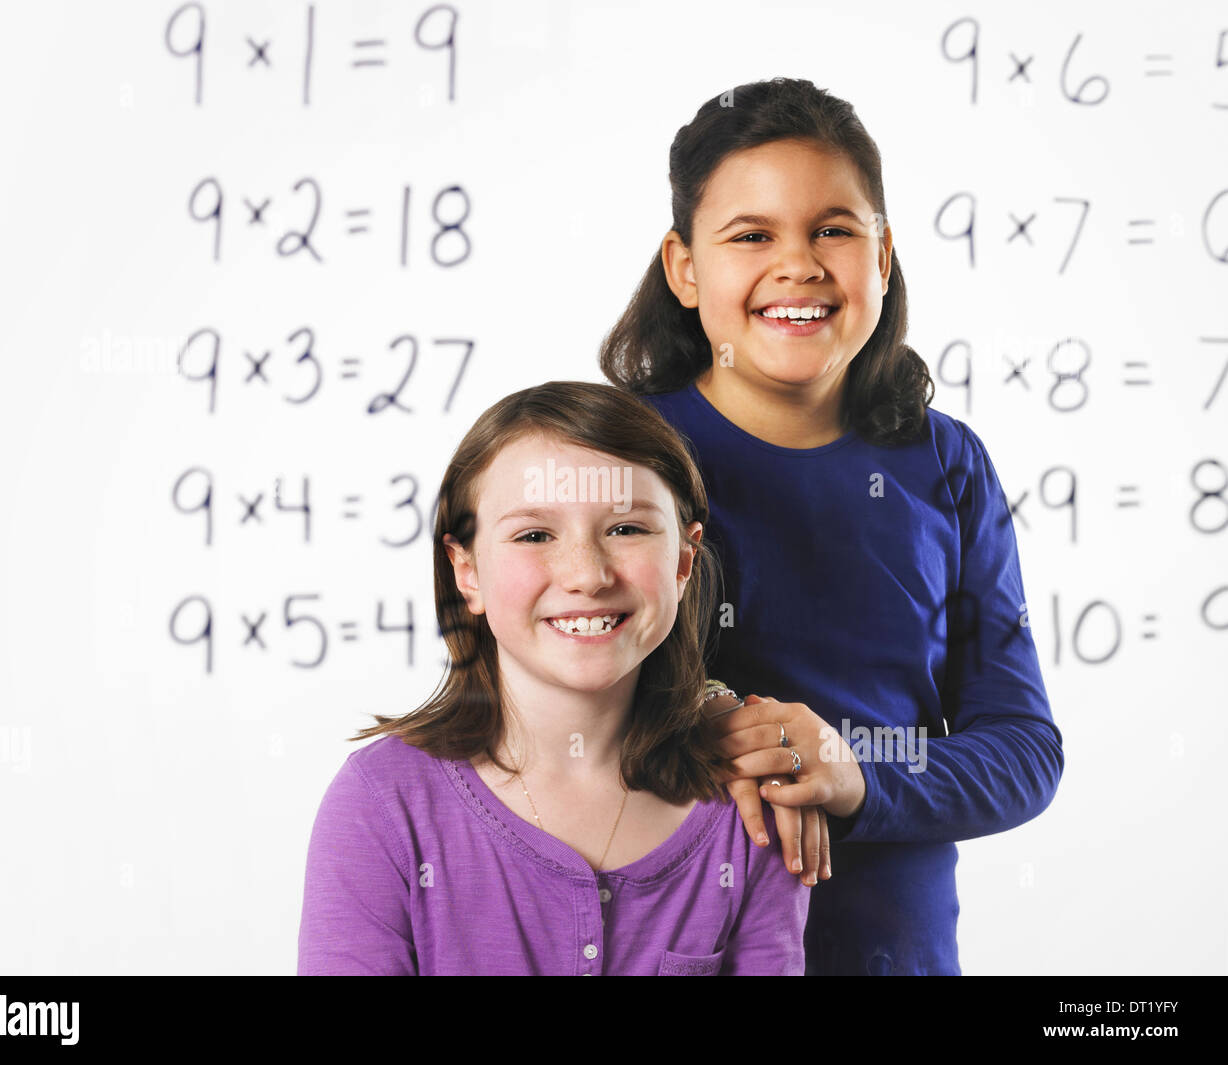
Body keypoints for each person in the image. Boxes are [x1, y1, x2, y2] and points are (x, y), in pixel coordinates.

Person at [599, 77, 1065, 975]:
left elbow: (1022, 749)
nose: (799, 265)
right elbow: (547, 707)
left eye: (834, 230)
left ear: (883, 257)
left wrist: (856, 779)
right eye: (752, 235)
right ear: (684, 267)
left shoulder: (948, 465)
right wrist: (727, 729)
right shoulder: (621, 454)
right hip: (670, 947)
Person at [297, 381, 810, 975]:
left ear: (683, 562)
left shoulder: (752, 808)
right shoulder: (382, 803)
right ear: (467, 572)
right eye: (534, 535)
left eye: (626, 529)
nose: (587, 575)